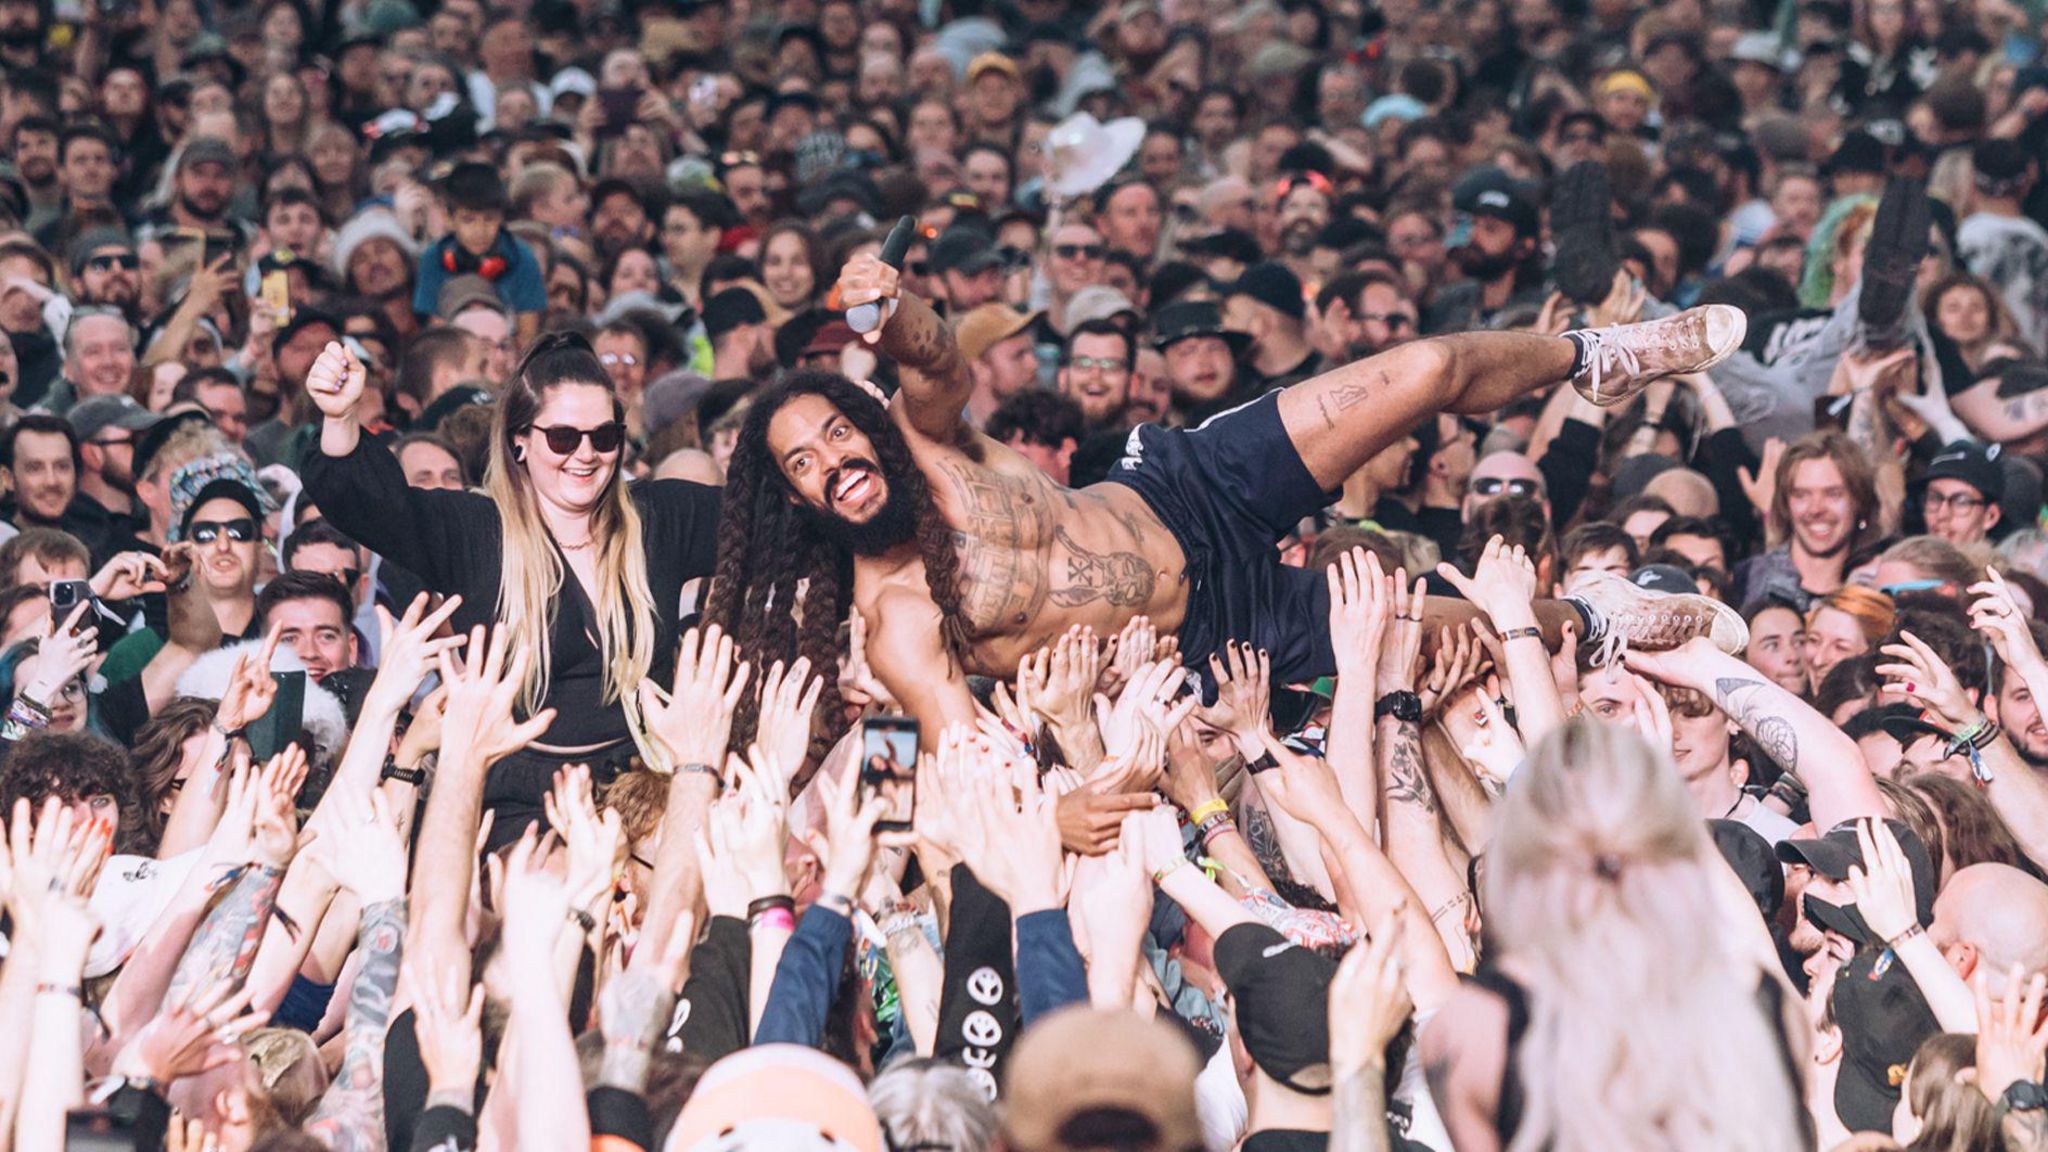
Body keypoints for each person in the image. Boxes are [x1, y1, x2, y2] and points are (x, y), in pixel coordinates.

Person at [706, 252, 1748, 750]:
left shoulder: (920, 436)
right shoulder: (893, 621)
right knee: (1477, 631)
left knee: (1421, 370)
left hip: (1181, 489)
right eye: (802, 462)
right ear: (796, 502)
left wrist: (889, 315)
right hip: (1212, 641)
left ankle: (1593, 353)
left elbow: (936, 359)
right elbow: (961, 748)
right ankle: (1602, 621)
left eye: (836, 429)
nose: (834, 458)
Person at [302, 332, 720, 840]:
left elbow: (775, 512)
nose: (585, 455)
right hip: (522, 811)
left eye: (604, 436)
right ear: (520, 439)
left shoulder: (659, 517)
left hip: (651, 795)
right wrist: (341, 417)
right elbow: (372, 505)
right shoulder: (477, 531)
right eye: (563, 437)